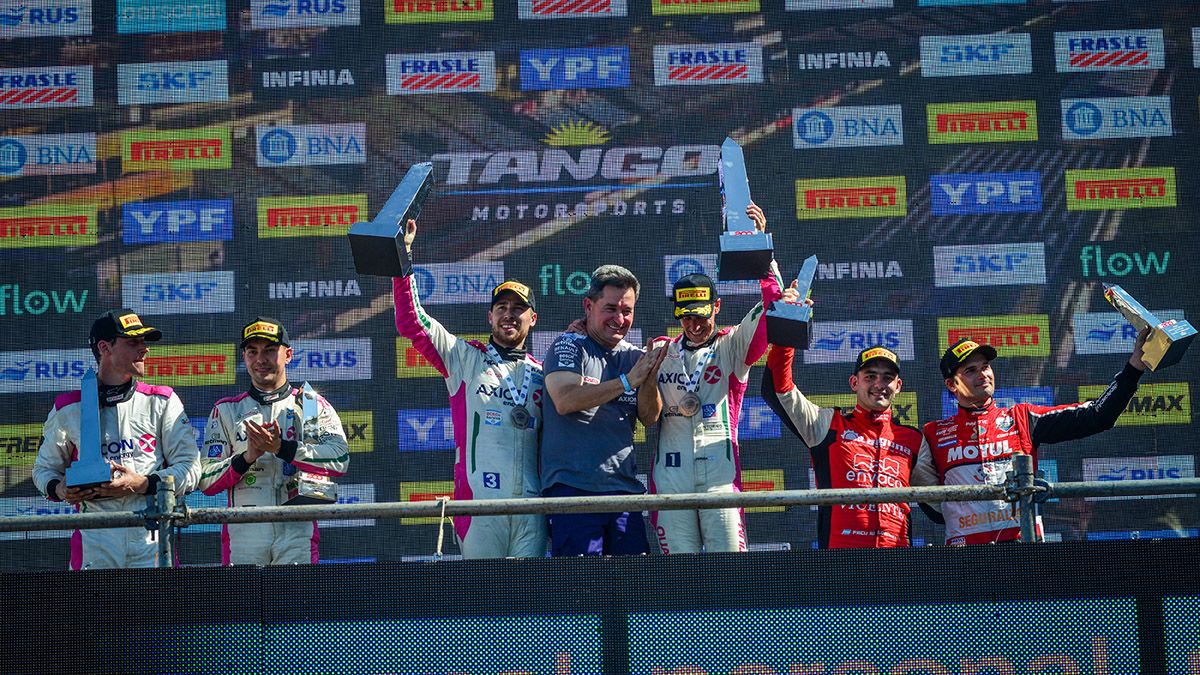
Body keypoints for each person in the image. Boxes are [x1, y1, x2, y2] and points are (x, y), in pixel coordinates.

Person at [393, 219, 547, 558]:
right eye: (501, 308)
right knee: (483, 590)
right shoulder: (464, 358)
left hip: (533, 509)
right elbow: (411, 322)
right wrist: (403, 257)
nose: (509, 315)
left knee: (532, 592)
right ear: (490, 317)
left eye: (518, 309)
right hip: (479, 504)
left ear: (532, 319)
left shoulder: (544, 373)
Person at [913, 331, 1149, 545]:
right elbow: (933, 507)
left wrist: (1134, 367)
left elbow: (1098, 415)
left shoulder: (1022, 418)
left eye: (985, 366)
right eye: (970, 370)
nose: (983, 374)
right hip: (965, 554)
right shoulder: (933, 434)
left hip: (1023, 548)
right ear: (951, 384)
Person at [647, 203, 783, 554]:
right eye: (686, 317)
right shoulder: (660, 350)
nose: (694, 325)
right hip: (670, 483)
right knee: (679, 577)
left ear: (717, 307)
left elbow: (773, 306)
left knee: (731, 574)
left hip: (720, 481)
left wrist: (762, 252)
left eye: (701, 316)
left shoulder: (732, 345)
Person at [33, 309, 200, 570]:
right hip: (94, 541)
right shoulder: (69, 407)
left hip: (152, 538)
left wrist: (142, 483)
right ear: (104, 347)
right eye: (133, 342)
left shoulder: (162, 401)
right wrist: (60, 489)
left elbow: (191, 469)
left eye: (144, 341)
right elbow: (44, 470)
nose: (144, 349)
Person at [198, 317, 349, 565]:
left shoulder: (310, 404)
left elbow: (339, 458)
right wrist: (248, 457)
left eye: (269, 350)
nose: (261, 360)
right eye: (252, 352)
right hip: (244, 533)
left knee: (295, 593)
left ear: (288, 355)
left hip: (297, 532)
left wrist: (282, 448)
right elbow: (205, 479)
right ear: (244, 357)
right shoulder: (227, 410)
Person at [541, 264, 667, 556]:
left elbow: (649, 417)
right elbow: (565, 400)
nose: (619, 319)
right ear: (588, 306)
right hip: (573, 489)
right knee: (582, 582)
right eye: (610, 309)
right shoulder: (569, 345)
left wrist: (647, 379)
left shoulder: (635, 357)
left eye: (627, 311)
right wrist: (627, 381)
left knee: (633, 582)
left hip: (624, 490)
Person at [763, 331, 928, 549]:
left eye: (887, 377)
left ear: (898, 386)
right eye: (870, 376)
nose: (879, 384)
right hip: (842, 558)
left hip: (899, 556)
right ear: (854, 382)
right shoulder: (827, 424)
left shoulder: (913, 439)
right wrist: (788, 327)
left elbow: (939, 505)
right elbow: (779, 389)